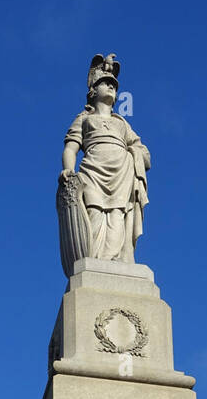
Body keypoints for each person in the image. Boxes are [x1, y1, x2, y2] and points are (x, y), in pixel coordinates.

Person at [60, 52, 150, 264]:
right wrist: (68, 169)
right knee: (94, 212)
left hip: (121, 173)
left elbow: (142, 150)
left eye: (114, 85)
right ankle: (95, 260)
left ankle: (116, 259)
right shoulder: (84, 119)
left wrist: (135, 156)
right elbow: (71, 147)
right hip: (92, 171)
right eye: (105, 83)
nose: (111, 86)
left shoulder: (122, 123)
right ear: (93, 90)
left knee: (118, 214)